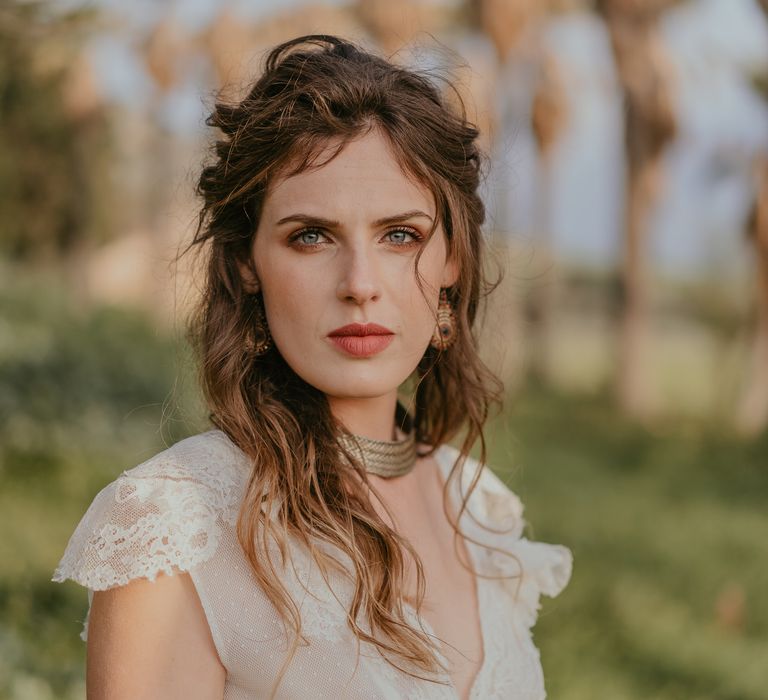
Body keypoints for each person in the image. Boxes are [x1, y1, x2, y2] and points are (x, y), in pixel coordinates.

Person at [52, 35, 572, 700]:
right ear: (248, 264)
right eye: (311, 236)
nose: (360, 283)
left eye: (399, 236)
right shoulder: (171, 526)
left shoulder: (478, 505)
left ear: (452, 263)